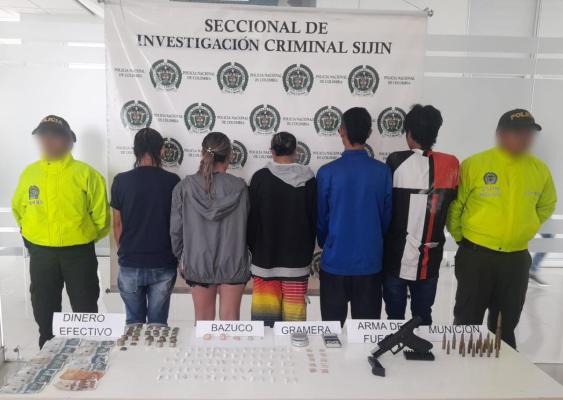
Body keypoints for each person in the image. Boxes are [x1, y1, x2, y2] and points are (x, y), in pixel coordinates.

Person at [447, 109, 557, 349]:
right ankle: (460, 368)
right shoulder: (475, 164)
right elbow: (456, 206)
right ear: (501, 134)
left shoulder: (539, 170)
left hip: (516, 260)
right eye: (518, 132)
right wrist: (461, 237)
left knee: (505, 326)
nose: (525, 138)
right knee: (467, 322)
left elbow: (547, 205)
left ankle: (501, 369)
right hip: (476, 256)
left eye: (529, 133)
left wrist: (525, 228)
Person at [12, 115, 110, 348]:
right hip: (42, 254)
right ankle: (47, 352)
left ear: (68, 141)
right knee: (44, 308)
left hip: (79, 253)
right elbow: (18, 209)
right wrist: (33, 239)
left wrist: (81, 237)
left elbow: (101, 217)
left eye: (54, 136)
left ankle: (87, 354)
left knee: (86, 308)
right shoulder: (30, 174)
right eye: (42, 136)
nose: (47, 141)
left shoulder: (87, 174)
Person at [383, 105, 459, 325]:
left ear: (409, 133)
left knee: (394, 321)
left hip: (395, 257)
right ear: (435, 133)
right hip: (430, 258)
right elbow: (454, 206)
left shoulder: (395, 161)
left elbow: (385, 207)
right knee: (423, 318)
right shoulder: (451, 163)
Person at [316, 107, 392, 326]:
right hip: (369, 262)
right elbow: (386, 219)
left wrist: (329, 242)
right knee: (366, 336)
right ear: (369, 132)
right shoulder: (383, 172)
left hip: (335, 261)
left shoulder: (327, 172)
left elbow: (321, 220)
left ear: (341, 130)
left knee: (331, 334)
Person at [170, 132, 250, 320]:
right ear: (230, 155)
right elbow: (249, 226)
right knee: (230, 324)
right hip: (233, 262)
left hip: (198, 262)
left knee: (203, 323)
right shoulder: (241, 187)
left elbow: (175, 231)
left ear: (202, 153)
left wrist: (183, 257)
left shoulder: (184, 187)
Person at [111, 128, 180, 327]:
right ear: (162, 150)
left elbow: (117, 223)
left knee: (133, 325)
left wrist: (125, 251)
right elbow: (178, 224)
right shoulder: (173, 181)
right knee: (158, 326)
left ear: (135, 150)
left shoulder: (121, 180)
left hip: (130, 261)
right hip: (163, 262)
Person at [248, 132, 316, 327]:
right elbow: (314, 220)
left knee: (265, 326)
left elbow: (252, 222)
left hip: (264, 262)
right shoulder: (309, 179)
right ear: (296, 151)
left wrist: (255, 250)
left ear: (272, 151)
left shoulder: (259, 178)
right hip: (297, 263)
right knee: (294, 328)